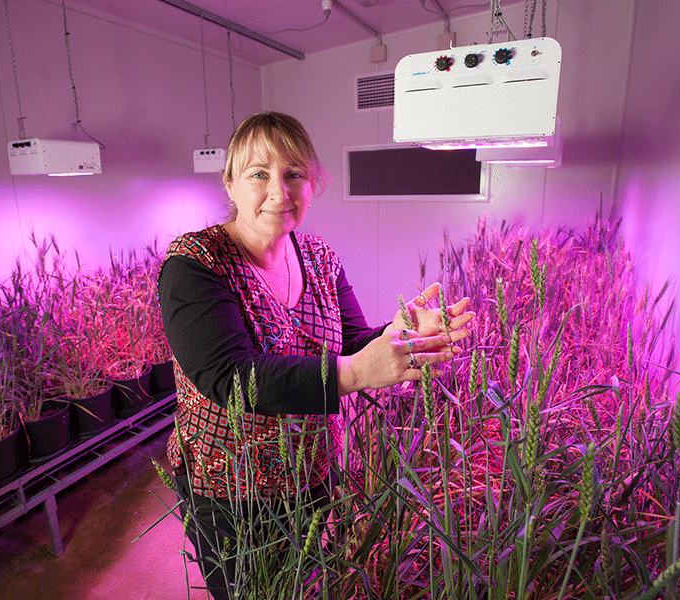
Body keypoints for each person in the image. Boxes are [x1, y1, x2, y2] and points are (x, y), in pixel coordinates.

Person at [157, 111, 473, 599]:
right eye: (259, 173)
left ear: (312, 183)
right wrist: (354, 373)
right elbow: (232, 378)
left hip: (311, 470)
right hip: (230, 491)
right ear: (230, 183)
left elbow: (349, 340)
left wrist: (400, 330)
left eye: (294, 174)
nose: (279, 192)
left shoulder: (320, 258)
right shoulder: (196, 264)